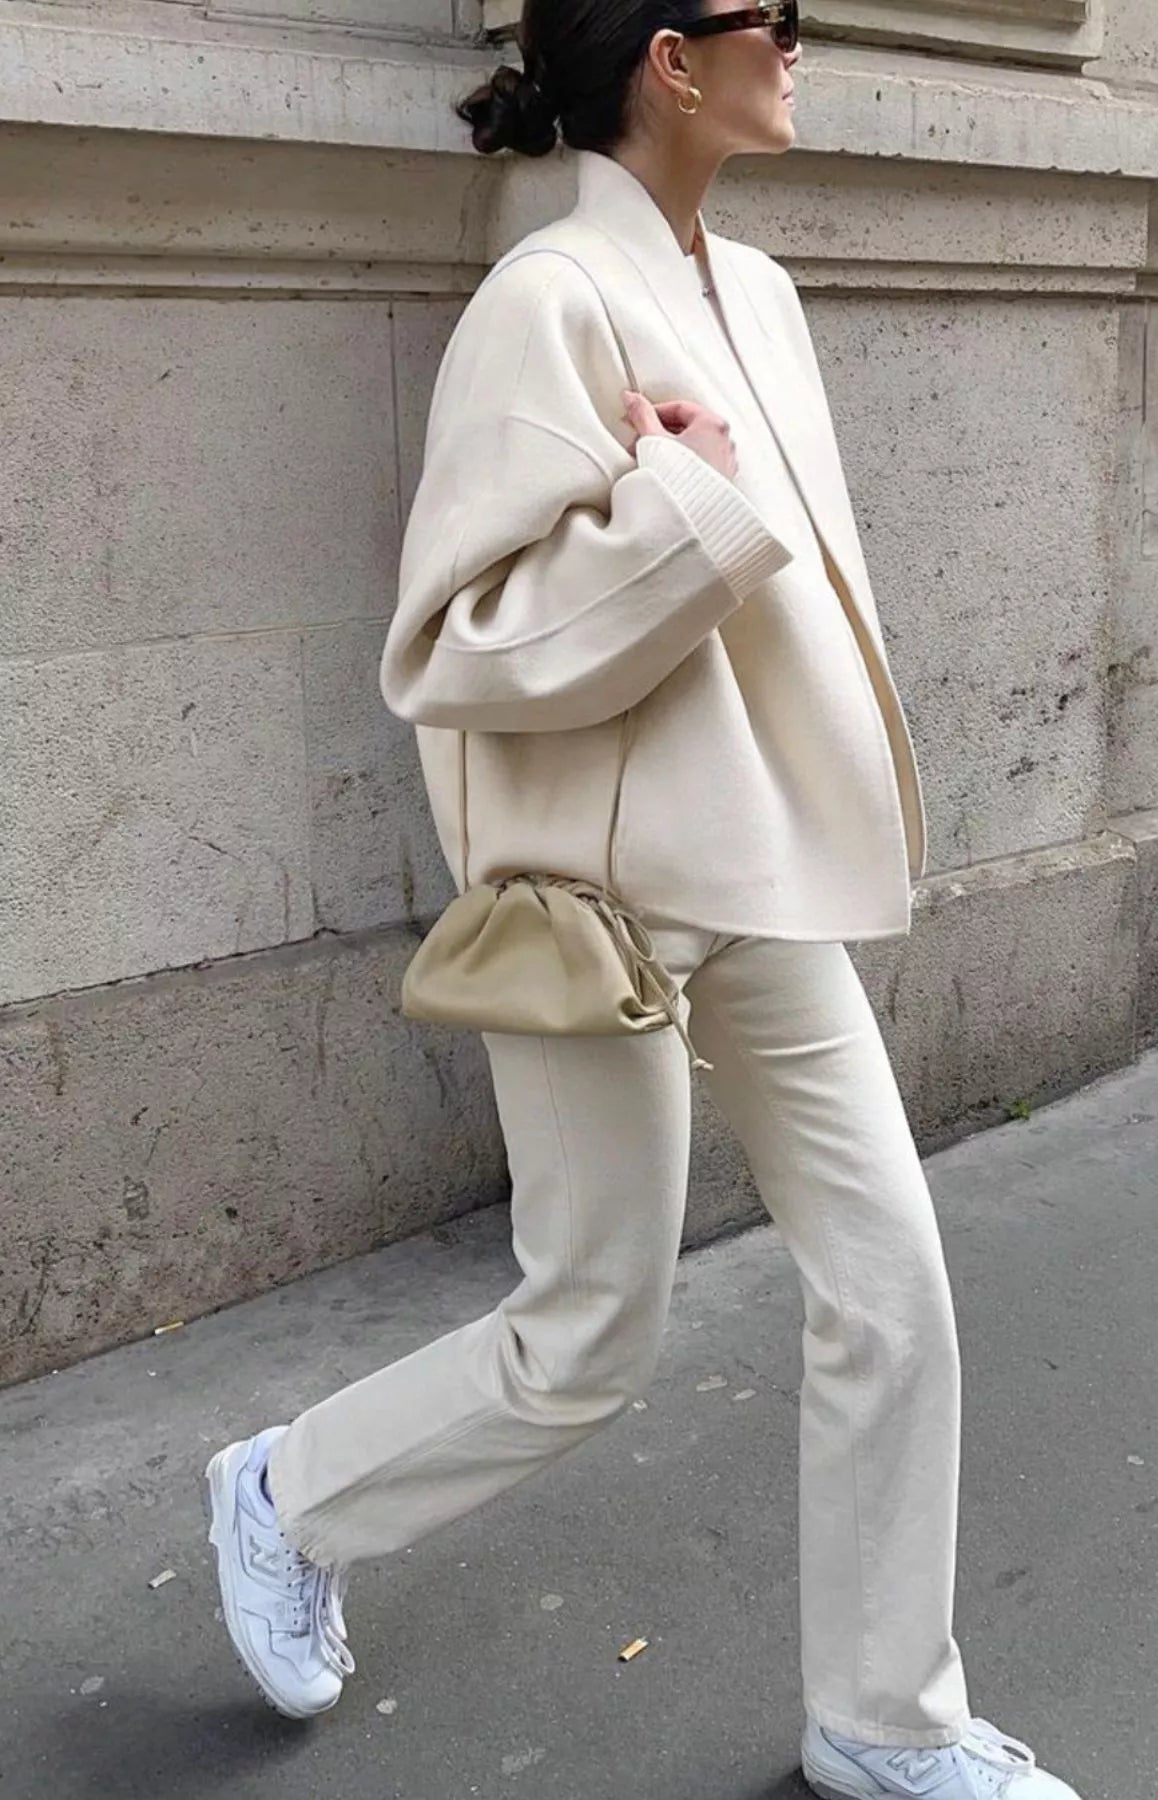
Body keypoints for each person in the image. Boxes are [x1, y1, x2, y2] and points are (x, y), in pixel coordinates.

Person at [204, 4, 1083, 1796]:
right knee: (588, 1331)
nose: (800, 46)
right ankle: (288, 1493)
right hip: (597, 906)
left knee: (892, 1291)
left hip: (754, 866)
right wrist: (681, 500)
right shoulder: (544, 301)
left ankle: (882, 1723)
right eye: (774, 21)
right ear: (672, 59)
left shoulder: (753, 291)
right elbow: (454, 649)